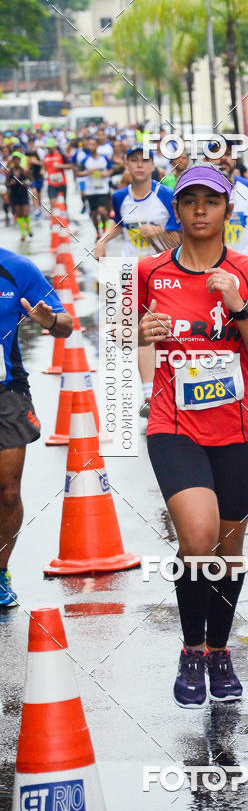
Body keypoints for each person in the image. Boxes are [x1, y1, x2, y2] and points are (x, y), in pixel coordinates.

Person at [136, 164, 248, 706]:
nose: (200, 209)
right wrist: (140, 336)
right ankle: (190, 647)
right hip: (173, 427)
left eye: (211, 201)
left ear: (227, 211)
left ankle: (219, 650)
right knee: (197, 538)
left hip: (238, 432)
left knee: (227, 549)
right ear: (176, 211)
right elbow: (125, 346)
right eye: (190, 200)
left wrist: (239, 307)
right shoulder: (149, 272)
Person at [0, 248, 73, 605]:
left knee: (8, 492)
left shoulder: (16, 269)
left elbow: (66, 325)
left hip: (6, 390)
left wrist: (49, 321)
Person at [94, 144, 180, 417]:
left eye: (144, 161)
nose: (139, 165)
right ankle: (149, 395)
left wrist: (160, 231)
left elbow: (181, 237)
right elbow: (119, 224)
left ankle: (176, 386)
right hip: (136, 274)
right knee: (140, 331)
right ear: (127, 166)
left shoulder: (167, 195)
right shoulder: (120, 196)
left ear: (153, 166)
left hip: (167, 273)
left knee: (168, 332)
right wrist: (102, 241)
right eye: (133, 161)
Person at [206, 140, 248, 259]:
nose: (223, 158)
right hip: (210, 268)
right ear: (206, 160)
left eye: (228, 153)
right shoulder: (198, 192)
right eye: (217, 154)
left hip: (246, 266)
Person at [76, 136, 112, 237]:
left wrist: (107, 173)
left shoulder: (103, 158)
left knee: (102, 211)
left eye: (93, 145)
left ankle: (105, 228)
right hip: (90, 190)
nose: (91, 147)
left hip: (103, 190)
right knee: (95, 214)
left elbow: (111, 169)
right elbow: (78, 173)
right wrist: (88, 172)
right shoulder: (85, 160)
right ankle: (97, 233)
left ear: (97, 146)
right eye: (89, 145)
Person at [7, 155, 32, 241]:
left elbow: (31, 180)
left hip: (24, 193)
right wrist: (11, 183)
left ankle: (28, 228)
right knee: (19, 214)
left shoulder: (25, 170)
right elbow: (6, 184)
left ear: (20, 160)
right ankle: (23, 233)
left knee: (26, 213)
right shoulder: (10, 172)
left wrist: (26, 182)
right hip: (15, 194)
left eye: (18, 160)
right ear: (13, 161)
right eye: (15, 160)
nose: (16, 161)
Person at [42, 138, 70, 206]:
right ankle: (54, 216)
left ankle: (64, 215)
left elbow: (70, 166)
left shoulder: (61, 155)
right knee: (53, 202)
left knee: (62, 203)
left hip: (62, 183)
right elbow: (43, 167)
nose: (49, 149)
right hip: (51, 184)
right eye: (47, 148)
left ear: (54, 146)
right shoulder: (46, 156)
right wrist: (42, 171)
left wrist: (61, 166)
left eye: (50, 147)